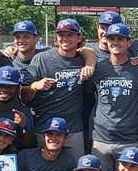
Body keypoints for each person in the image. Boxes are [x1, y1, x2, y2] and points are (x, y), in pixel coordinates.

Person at [24, 18, 93, 159]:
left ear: (79, 37)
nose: (65, 38)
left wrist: (90, 64)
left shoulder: (83, 60)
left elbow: (91, 51)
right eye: (61, 34)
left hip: (73, 129)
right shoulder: (41, 59)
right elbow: (23, 95)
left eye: (70, 34)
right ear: (56, 37)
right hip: (45, 127)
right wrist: (34, 86)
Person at [89, 23, 138, 171]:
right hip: (101, 138)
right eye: (111, 39)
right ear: (106, 41)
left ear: (129, 42)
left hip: (129, 139)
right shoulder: (97, 68)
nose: (115, 42)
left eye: (120, 39)